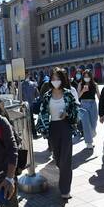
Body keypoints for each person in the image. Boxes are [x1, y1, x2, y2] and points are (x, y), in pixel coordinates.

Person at [37, 68, 79, 199]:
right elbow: (43, 112)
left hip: (66, 127)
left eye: (58, 78)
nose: (55, 81)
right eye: (53, 78)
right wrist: (43, 128)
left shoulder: (68, 94)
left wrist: (67, 114)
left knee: (66, 159)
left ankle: (65, 189)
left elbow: (75, 112)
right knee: (58, 158)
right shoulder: (47, 95)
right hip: (53, 128)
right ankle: (63, 176)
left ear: (63, 79)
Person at [77, 69, 100, 149]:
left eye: (88, 76)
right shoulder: (80, 84)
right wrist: (83, 91)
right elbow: (77, 97)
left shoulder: (95, 84)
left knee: (94, 123)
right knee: (86, 124)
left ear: (91, 77)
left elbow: (99, 96)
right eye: (85, 76)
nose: (86, 78)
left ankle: (91, 135)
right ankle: (89, 143)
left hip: (93, 104)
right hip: (83, 105)